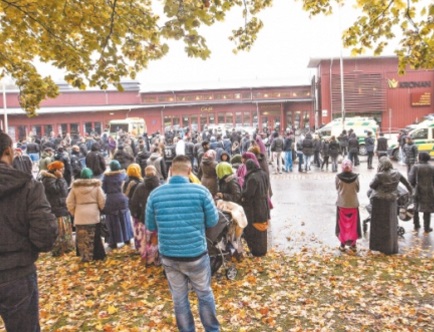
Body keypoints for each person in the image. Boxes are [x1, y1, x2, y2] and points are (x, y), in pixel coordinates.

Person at [145, 155, 220, 332]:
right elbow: (213, 221)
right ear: (190, 171)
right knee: (204, 293)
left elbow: (150, 226)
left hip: (170, 256)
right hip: (196, 253)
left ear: (170, 170)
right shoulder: (201, 191)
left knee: (179, 298)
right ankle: (212, 329)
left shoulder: (155, 194)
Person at [0, 132, 58, 332]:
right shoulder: (29, 187)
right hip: (18, 274)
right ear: (8, 152)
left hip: (18, 268)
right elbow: (45, 235)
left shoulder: (29, 186)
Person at [369, 157, 412, 255]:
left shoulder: (379, 175)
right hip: (391, 201)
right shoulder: (397, 173)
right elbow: (407, 184)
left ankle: (378, 246)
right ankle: (391, 247)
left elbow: (372, 185)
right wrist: (410, 194)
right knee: (391, 223)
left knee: (378, 224)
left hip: (379, 201)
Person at [66, 167, 107, 262]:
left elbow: (69, 202)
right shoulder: (96, 187)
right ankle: (97, 255)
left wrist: (73, 212)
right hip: (93, 214)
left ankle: (85, 256)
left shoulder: (75, 188)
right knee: (95, 235)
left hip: (80, 215)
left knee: (82, 237)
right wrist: (100, 209)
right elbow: (102, 200)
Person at [40, 160, 75, 256]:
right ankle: (60, 249)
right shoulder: (49, 180)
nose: (63, 170)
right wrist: (61, 179)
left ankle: (66, 247)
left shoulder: (53, 179)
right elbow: (61, 191)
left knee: (65, 228)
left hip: (61, 206)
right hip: (57, 208)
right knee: (60, 230)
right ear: (55, 170)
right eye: (61, 168)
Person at [129, 165, 160, 263]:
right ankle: (157, 258)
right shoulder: (160, 186)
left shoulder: (140, 187)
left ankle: (148, 258)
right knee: (157, 238)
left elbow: (134, 203)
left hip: (144, 217)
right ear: (155, 173)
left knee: (146, 239)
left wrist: (137, 215)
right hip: (158, 217)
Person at [241, 159, 271, 257]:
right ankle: (262, 250)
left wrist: (242, 194)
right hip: (264, 205)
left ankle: (256, 251)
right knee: (262, 229)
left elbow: (249, 193)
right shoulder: (263, 174)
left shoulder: (252, 178)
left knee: (254, 229)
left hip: (255, 207)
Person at [102, 160, 134, 249]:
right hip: (123, 199)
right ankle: (127, 238)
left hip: (111, 200)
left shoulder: (106, 177)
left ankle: (113, 241)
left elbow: (103, 189)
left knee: (112, 220)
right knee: (124, 218)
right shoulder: (124, 175)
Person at [335, 159, 361, 252]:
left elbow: (337, 188)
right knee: (353, 225)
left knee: (342, 225)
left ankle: (342, 244)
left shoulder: (338, 176)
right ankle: (353, 245)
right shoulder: (356, 177)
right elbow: (358, 189)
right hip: (353, 204)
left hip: (342, 204)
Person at [408, 152, 434, 233]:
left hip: (417, 190)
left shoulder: (415, 167)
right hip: (429, 190)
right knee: (427, 209)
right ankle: (426, 227)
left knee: (416, 207)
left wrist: (413, 186)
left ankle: (416, 224)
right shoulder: (432, 167)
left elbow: (411, 179)